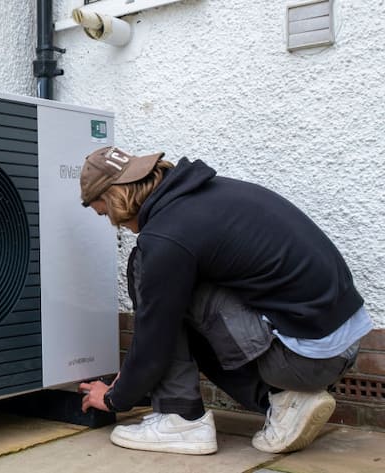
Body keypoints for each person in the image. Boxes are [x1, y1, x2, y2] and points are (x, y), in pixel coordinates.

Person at [76, 146, 371, 455]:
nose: (115, 224)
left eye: (105, 212)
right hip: (335, 346)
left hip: (305, 360)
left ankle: (181, 420)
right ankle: (285, 403)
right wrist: (135, 374)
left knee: (146, 270)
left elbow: (155, 335)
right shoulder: (206, 196)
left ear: (115, 198)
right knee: (171, 293)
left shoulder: (167, 236)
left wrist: (115, 398)